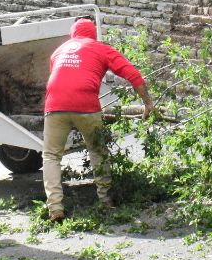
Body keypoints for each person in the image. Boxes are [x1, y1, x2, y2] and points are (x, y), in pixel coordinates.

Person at [42, 17, 155, 222]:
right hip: (85, 104)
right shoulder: (100, 48)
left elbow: (60, 79)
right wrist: (148, 103)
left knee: (51, 156)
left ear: (73, 34)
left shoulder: (59, 51)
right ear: (93, 34)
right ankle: (105, 200)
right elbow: (133, 74)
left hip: (54, 105)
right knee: (97, 150)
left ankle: (55, 208)